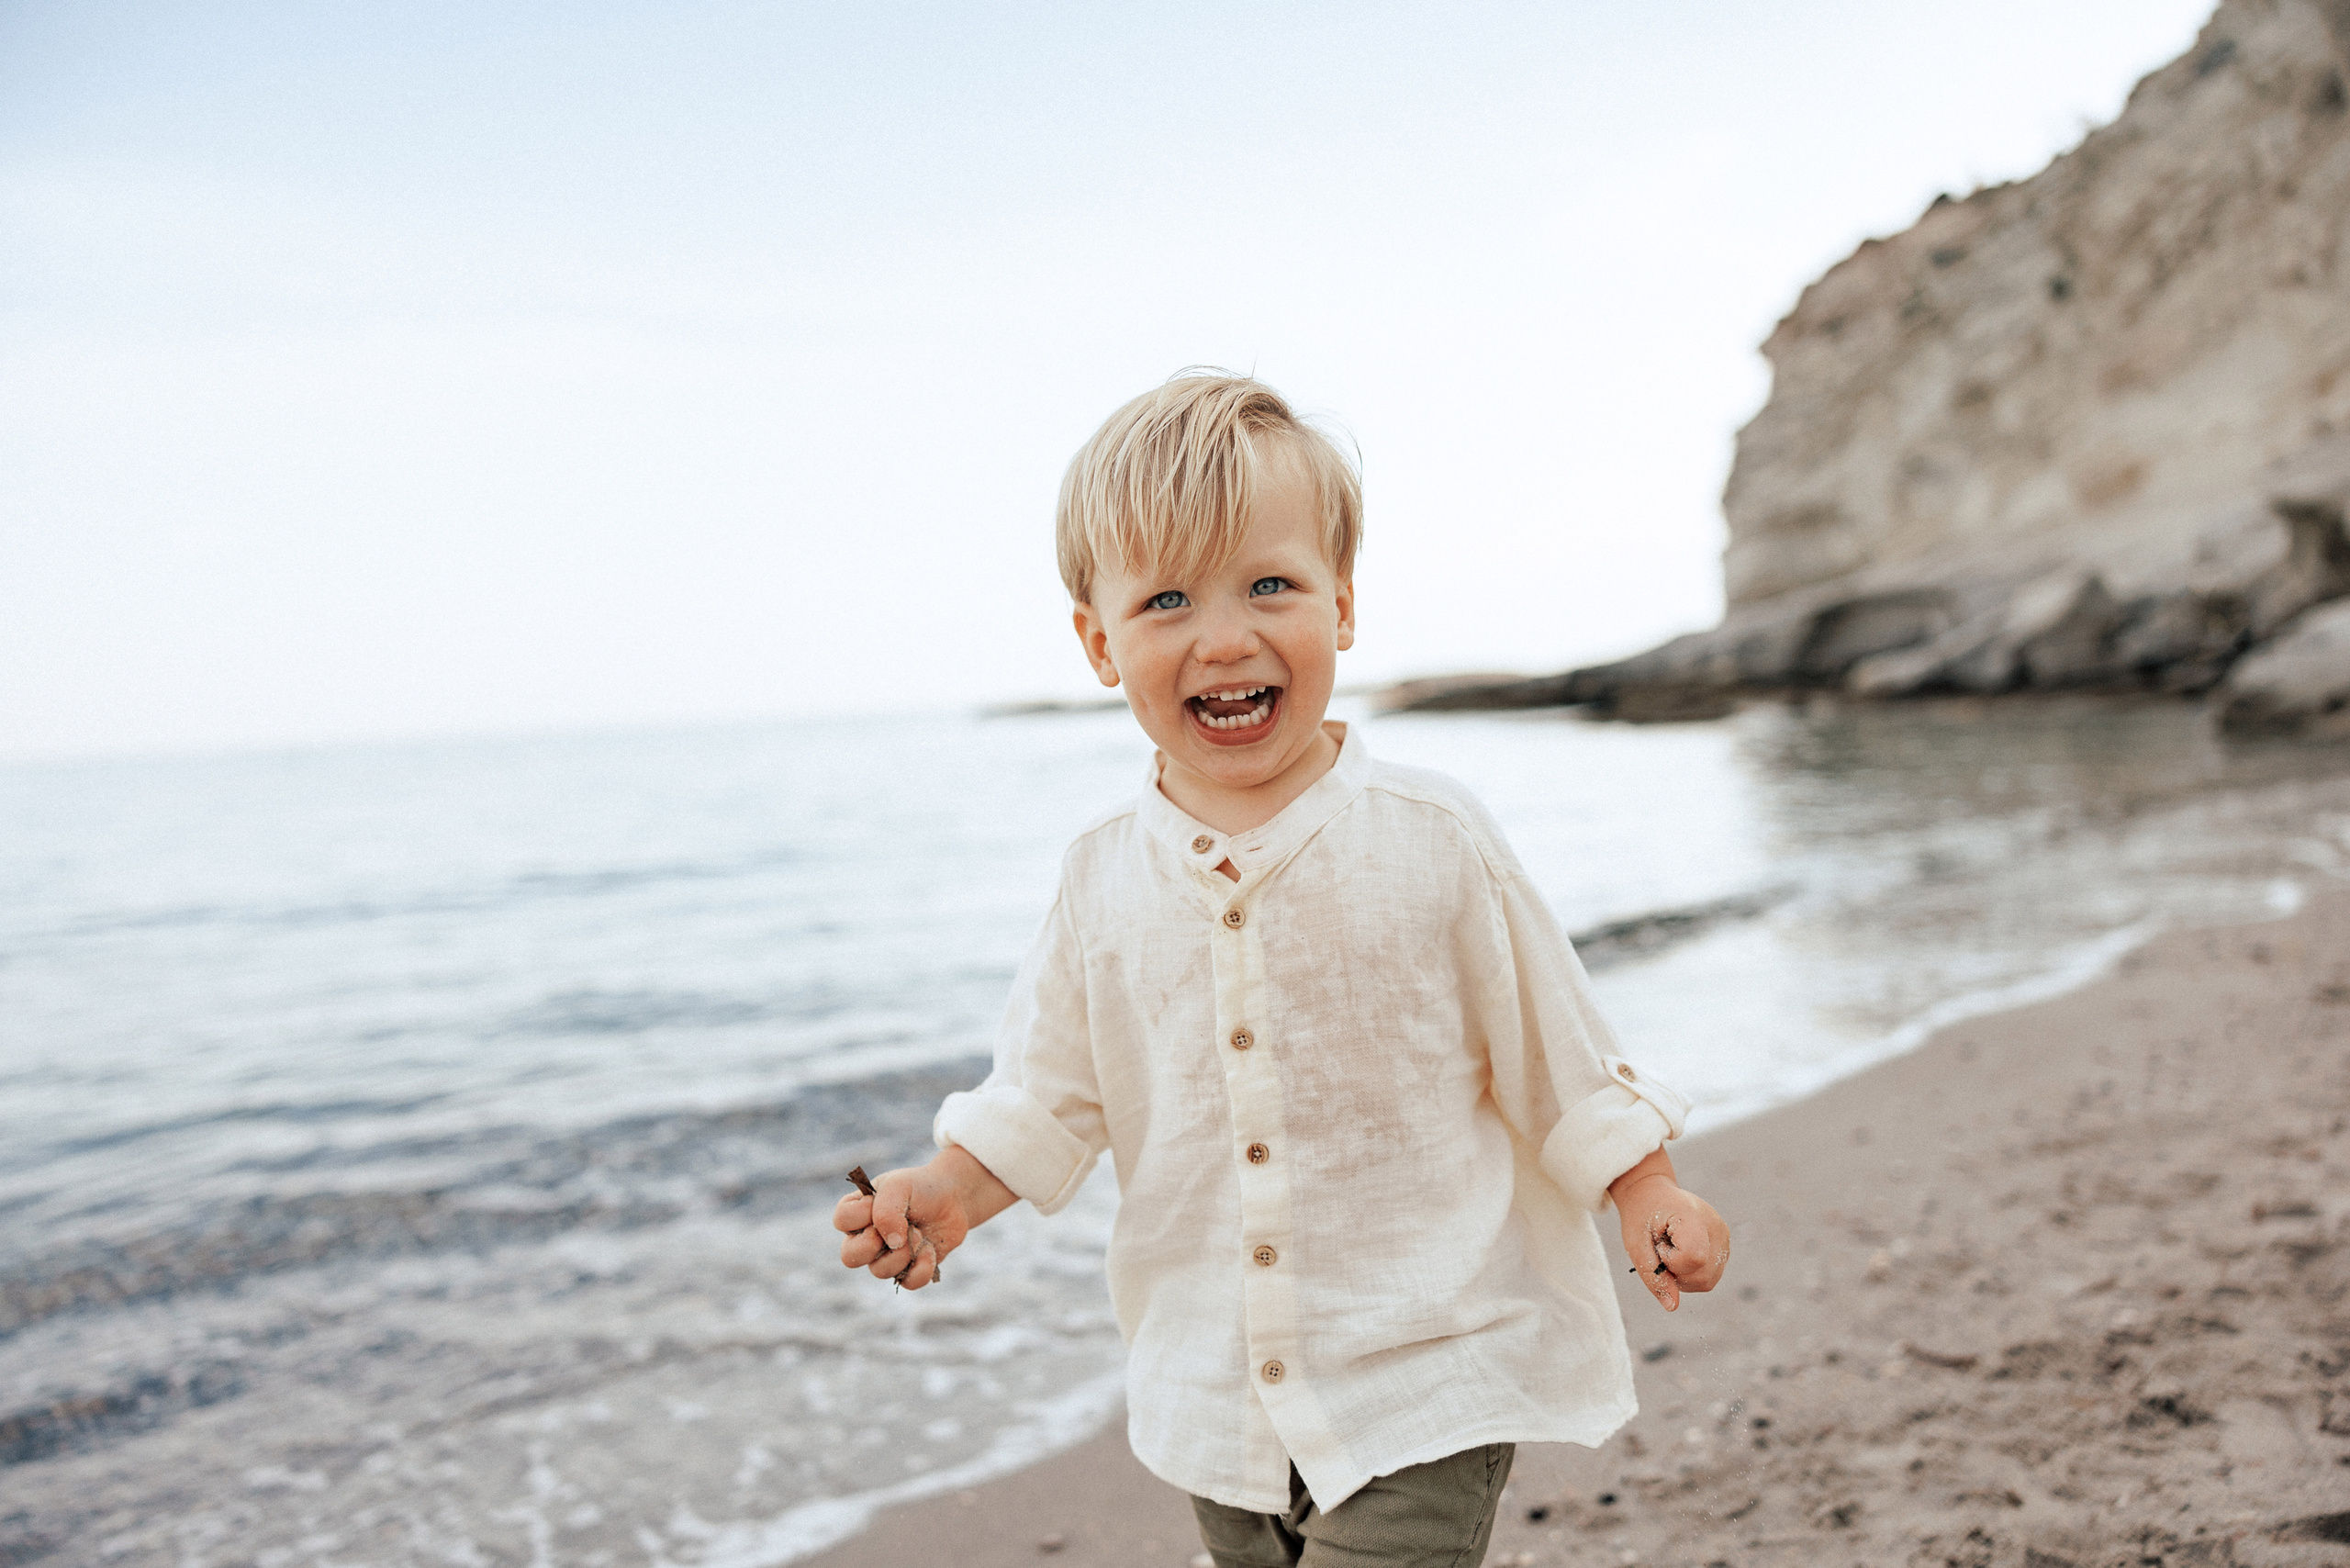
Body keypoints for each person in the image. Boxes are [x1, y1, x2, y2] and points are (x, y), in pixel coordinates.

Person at [834, 371, 1730, 1567]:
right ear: (1099, 642)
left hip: (1426, 1367)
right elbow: (1049, 1093)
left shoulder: (1431, 836)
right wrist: (949, 1193)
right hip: (1215, 1393)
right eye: (1167, 600)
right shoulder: (1101, 876)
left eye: (1270, 585)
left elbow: (1553, 1048)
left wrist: (1647, 1187)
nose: (1225, 638)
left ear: (1342, 604)